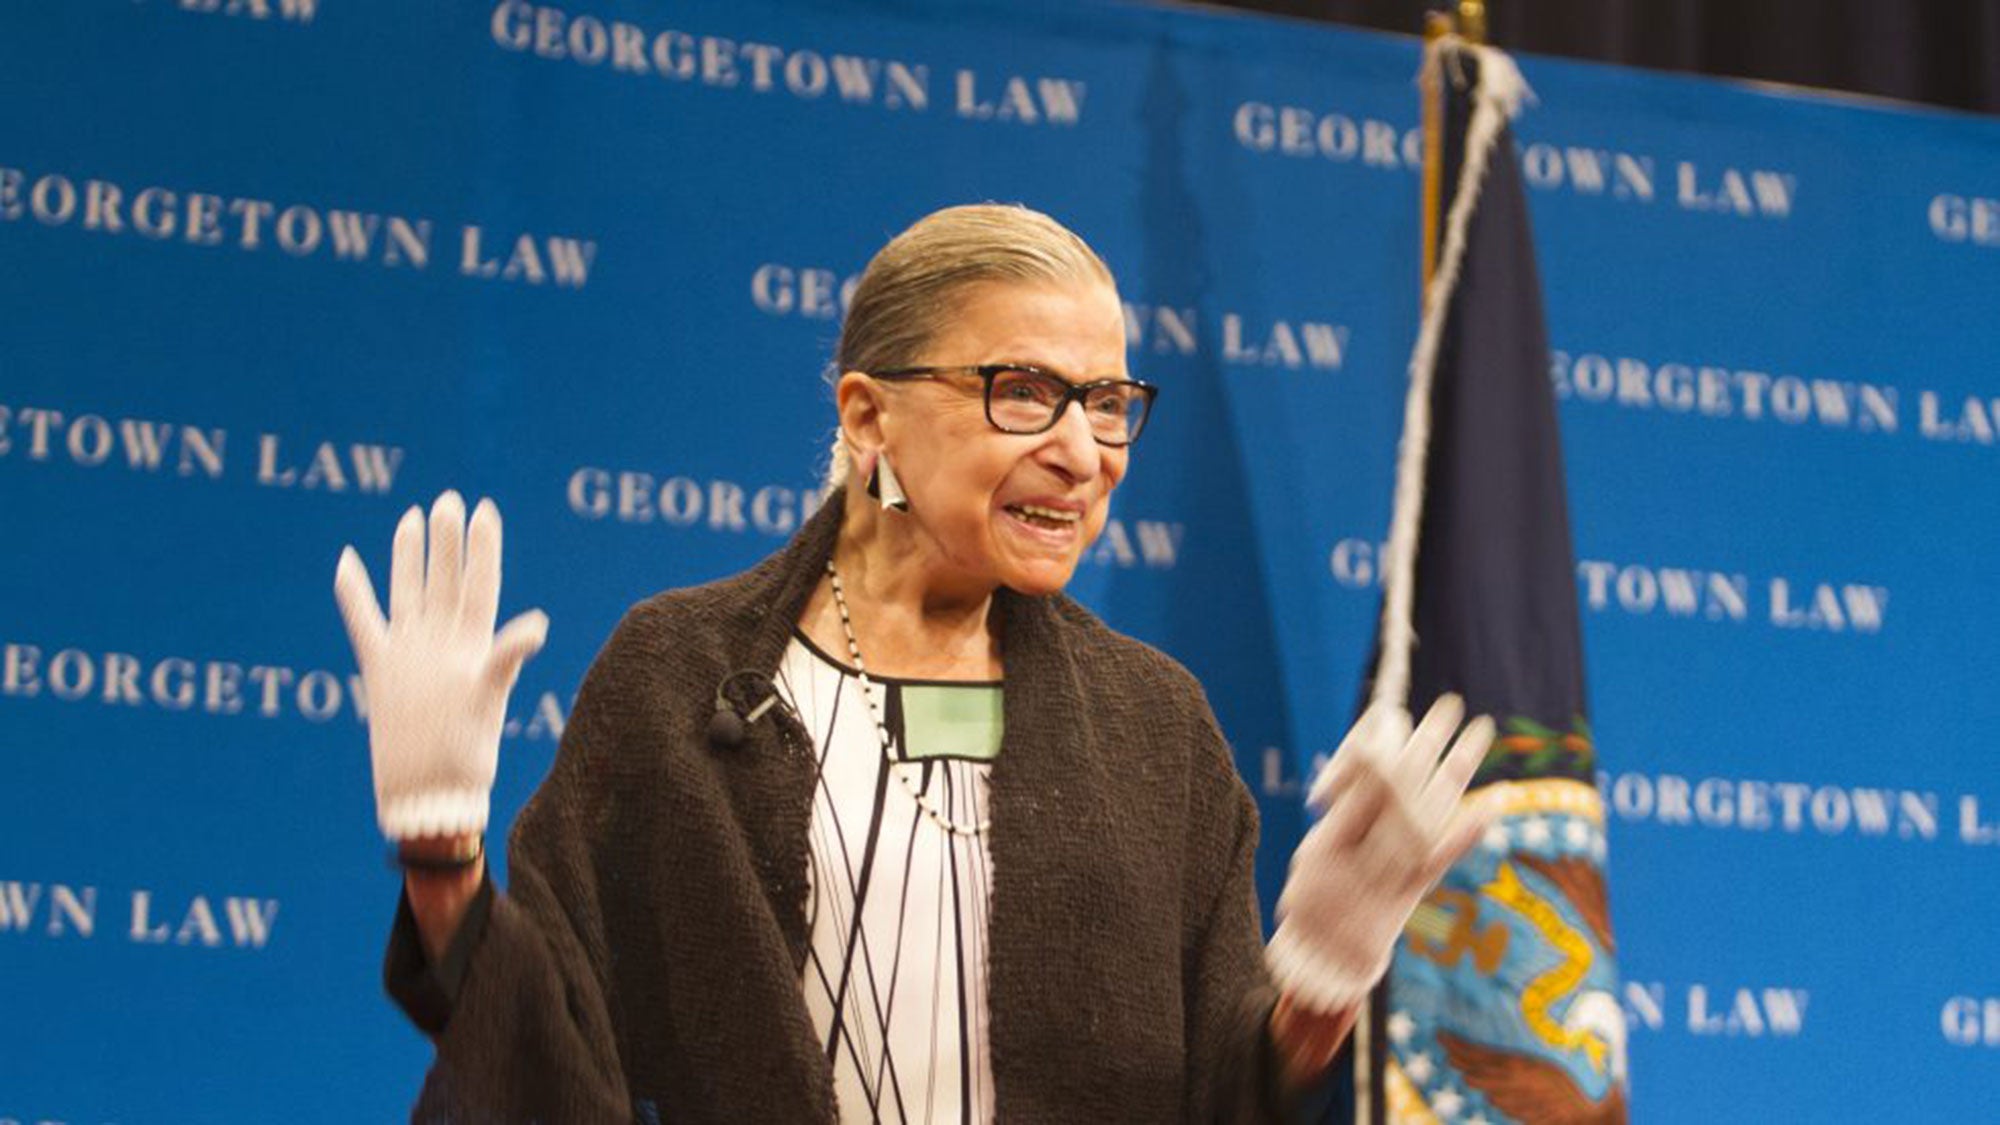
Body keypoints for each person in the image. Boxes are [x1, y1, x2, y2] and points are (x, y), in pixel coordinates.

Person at [333, 203, 1499, 1123]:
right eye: (1025, 392)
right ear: (866, 415)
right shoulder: (680, 678)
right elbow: (546, 1049)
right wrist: (441, 852)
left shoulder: (1152, 726)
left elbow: (1232, 1097)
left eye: (1106, 403)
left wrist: (1323, 985)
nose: (1080, 451)